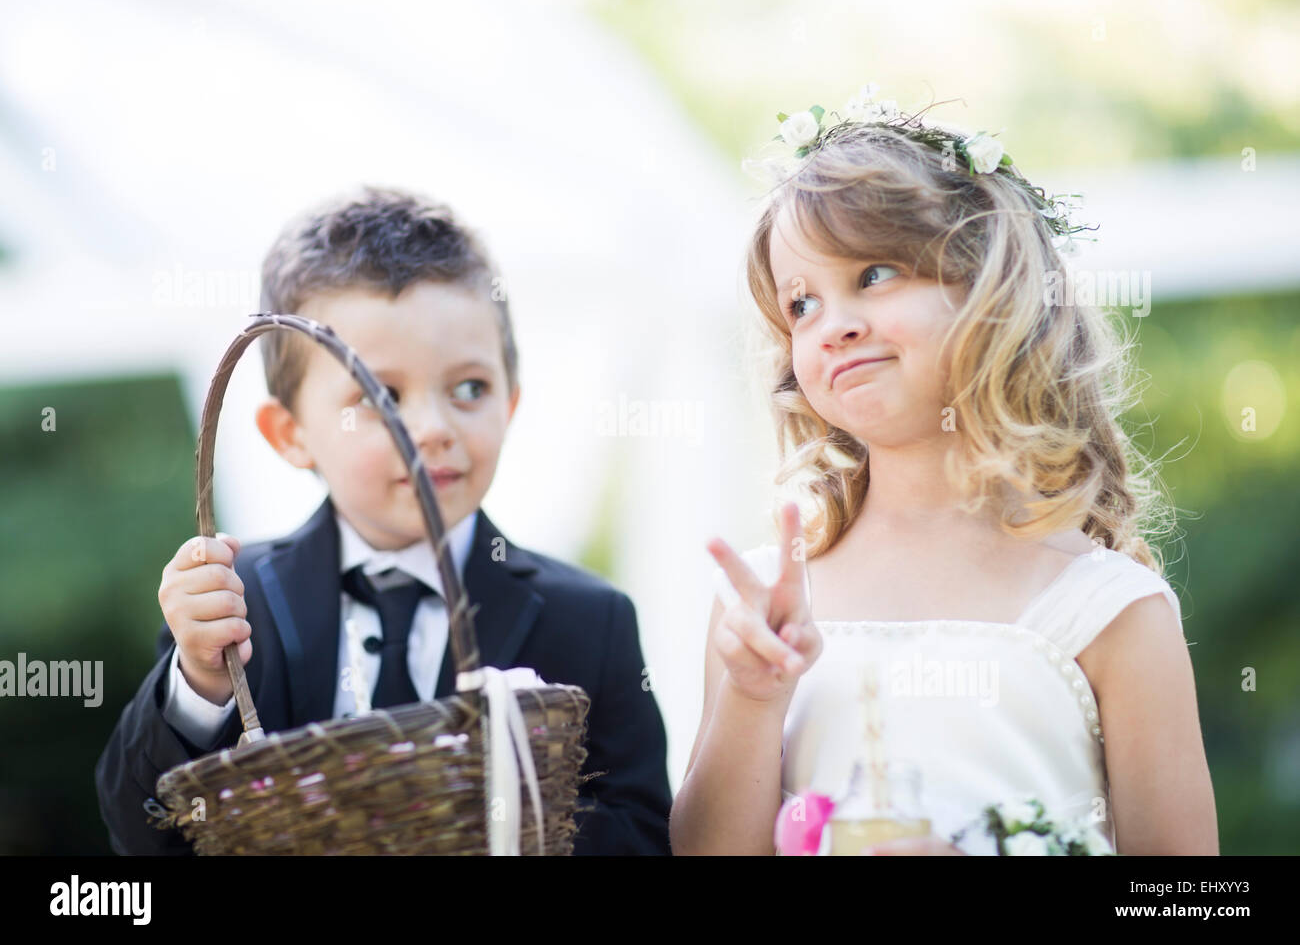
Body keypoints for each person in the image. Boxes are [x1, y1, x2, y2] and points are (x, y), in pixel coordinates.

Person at [670, 86, 1218, 855]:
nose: (835, 325)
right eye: (801, 304)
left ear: (993, 289)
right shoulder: (763, 609)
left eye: (874, 275)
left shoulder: (1111, 611)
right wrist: (755, 696)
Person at [96, 187, 673, 855]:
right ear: (291, 434)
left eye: (469, 389)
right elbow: (139, 831)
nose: (431, 428)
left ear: (510, 404)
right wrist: (199, 685)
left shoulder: (589, 620)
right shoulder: (235, 605)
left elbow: (641, 830)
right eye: (380, 396)